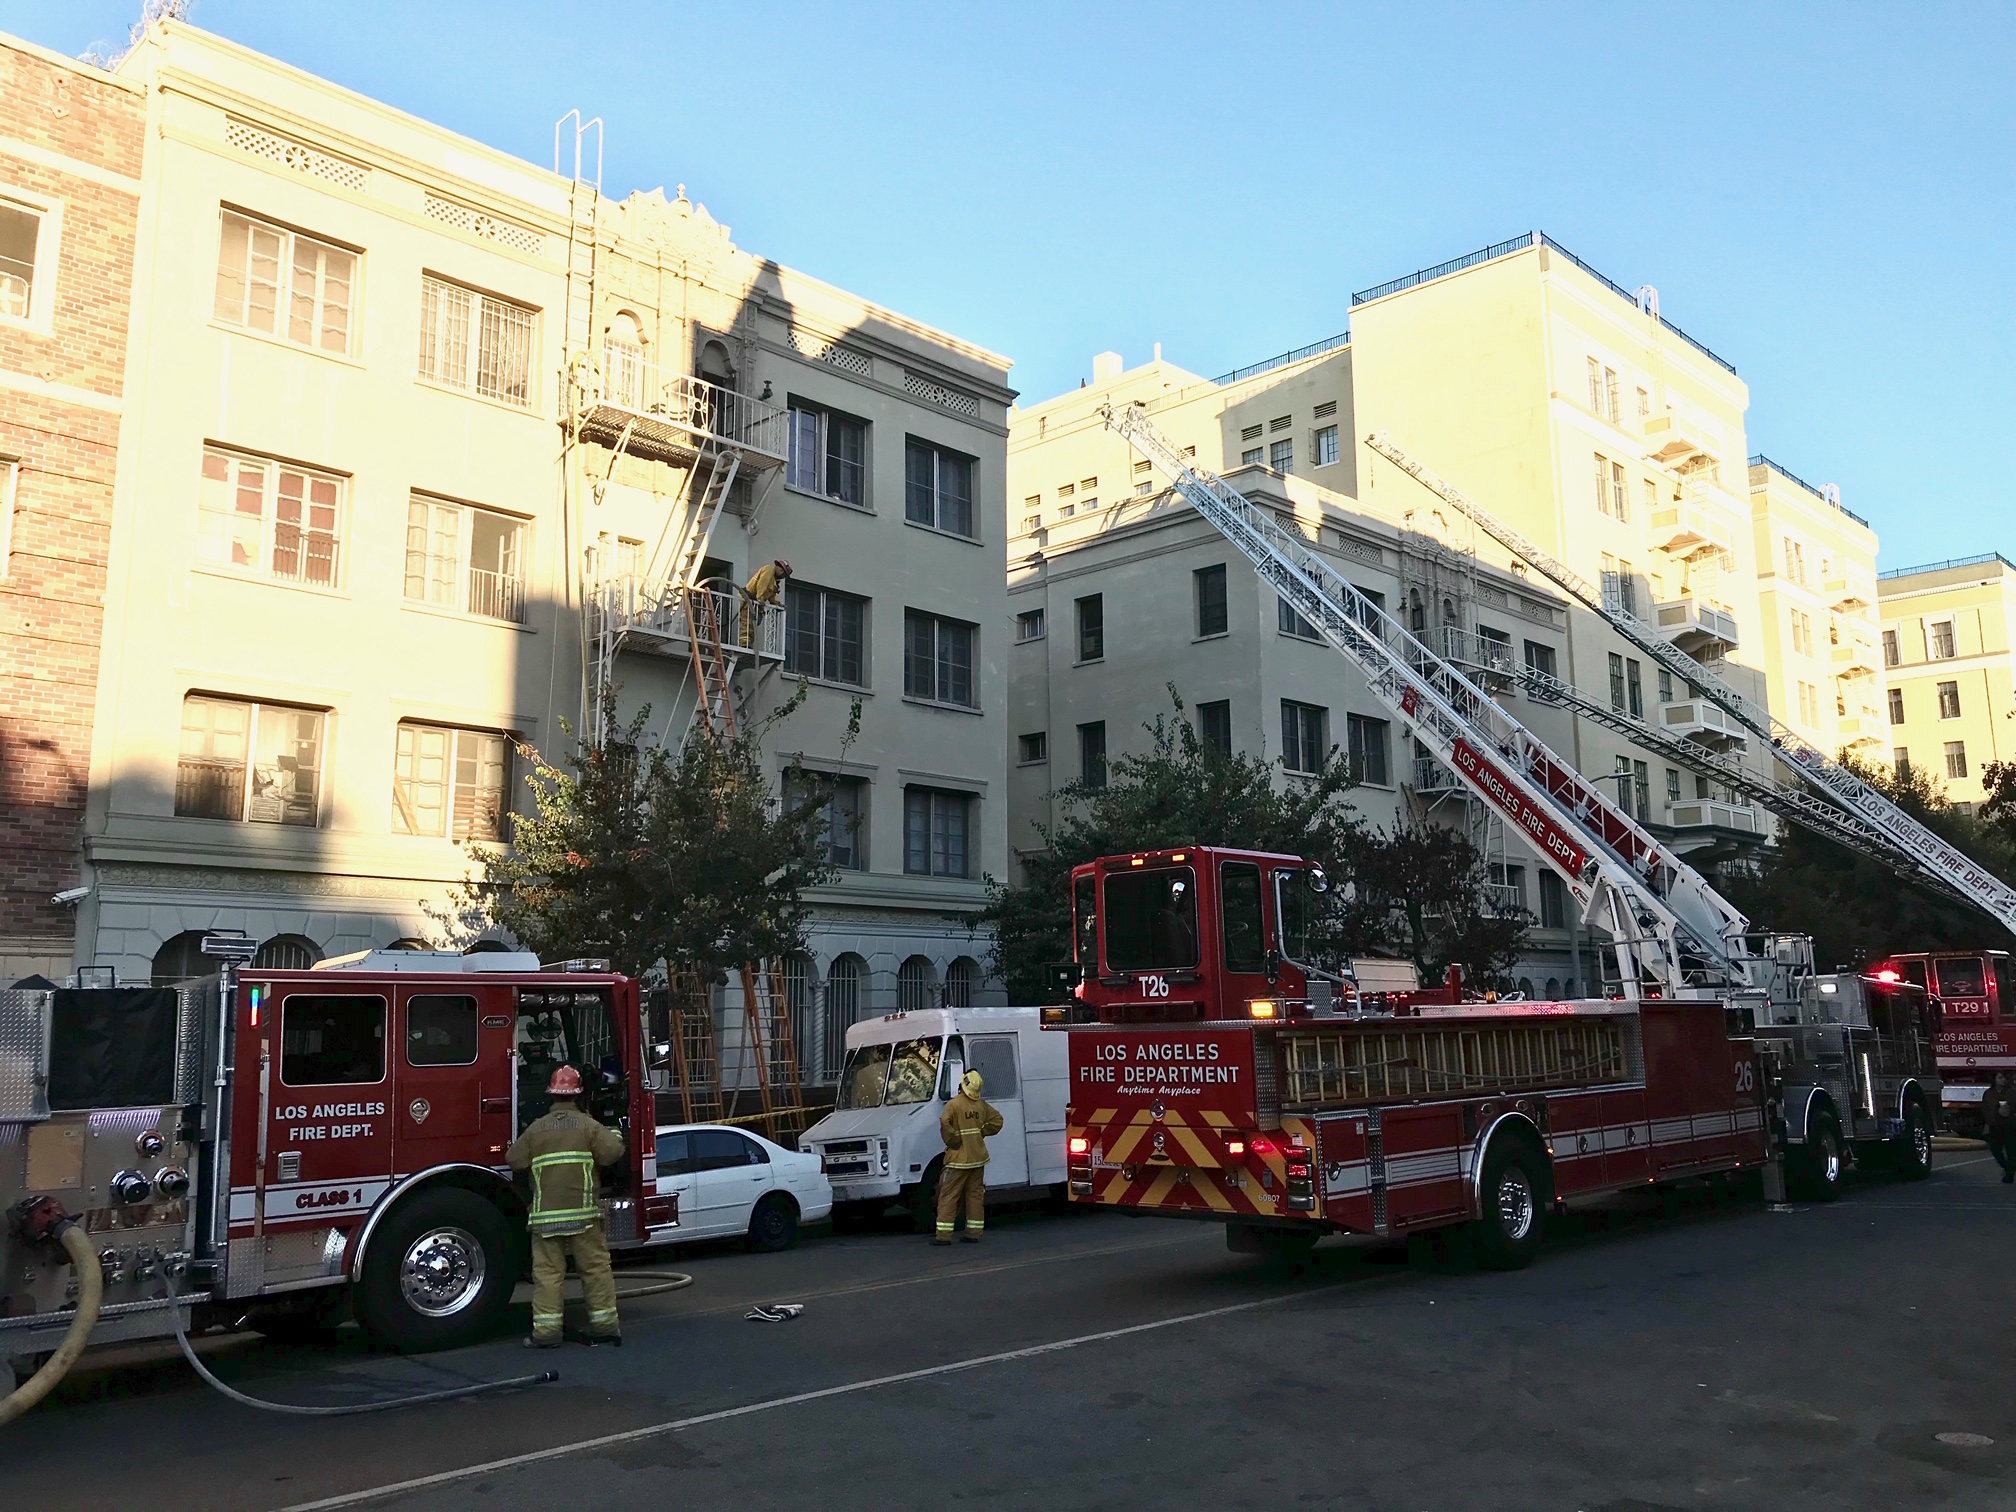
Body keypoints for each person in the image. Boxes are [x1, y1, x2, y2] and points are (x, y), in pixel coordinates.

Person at [507, 1065, 626, 1347]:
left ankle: (547, 1334)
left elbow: (514, 1160)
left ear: (552, 1095)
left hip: (546, 1218)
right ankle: (605, 1326)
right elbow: (612, 1153)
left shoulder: (536, 1129)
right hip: (583, 1216)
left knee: (548, 1276)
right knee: (595, 1270)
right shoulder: (588, 1125)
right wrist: (617, 1134)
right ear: (577, 1095)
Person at [934, 1068, 1004, 1245]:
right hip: (977, 1158)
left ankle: (943, 1236)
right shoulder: (981, 1105)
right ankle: (973, 1233)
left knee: (949, 1196)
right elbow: (998, 1121)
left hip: (958, 1160)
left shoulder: (954, 1104)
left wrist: (952, 1140)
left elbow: (944, 1122)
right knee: (975, 1196)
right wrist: (982, 1132)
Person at [741, 558, 792, 646]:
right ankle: (744, 644)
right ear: (781, 569)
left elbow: (771, 595)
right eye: (784, 574)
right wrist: (760, 598)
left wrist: (777, 604)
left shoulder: (774, 580)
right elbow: (762, 584)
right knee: (747, 623)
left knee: (752, 625)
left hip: (754, 602)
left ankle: (748, 644)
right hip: (748, 599)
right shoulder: (769, 570)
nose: (783, 577)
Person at [1984, 1070, 2016, 1185]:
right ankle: (2007, 1167)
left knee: (2011, 1150)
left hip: (2009, 1125)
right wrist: (1988, 1123)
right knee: (1995, 1149)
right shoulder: (1989, 1093)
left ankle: (2010, 1175)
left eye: (2004, 1078)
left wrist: (2008, 1109)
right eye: (2000, 1077)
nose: (2003, 1080)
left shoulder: (2011, 1092)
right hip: (1995, 1125)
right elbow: (1986, 1109)